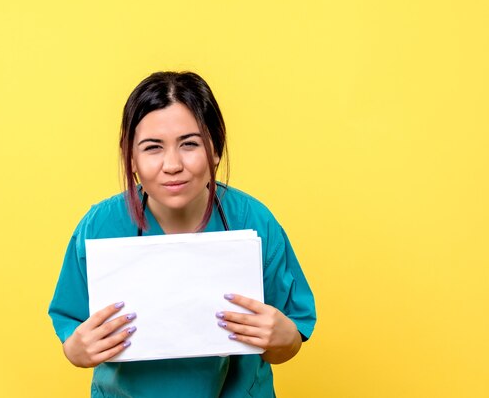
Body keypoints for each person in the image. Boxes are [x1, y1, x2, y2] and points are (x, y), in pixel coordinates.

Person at [48, 71, 316, 397]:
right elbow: (72, 333)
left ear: (215, 149)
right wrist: (77, 351)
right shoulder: (99, 227)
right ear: (131, 157)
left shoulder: (253, 221)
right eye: (152, 148)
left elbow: (287, 341)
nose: (172, 164)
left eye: (189, 144)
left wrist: (284, 338)